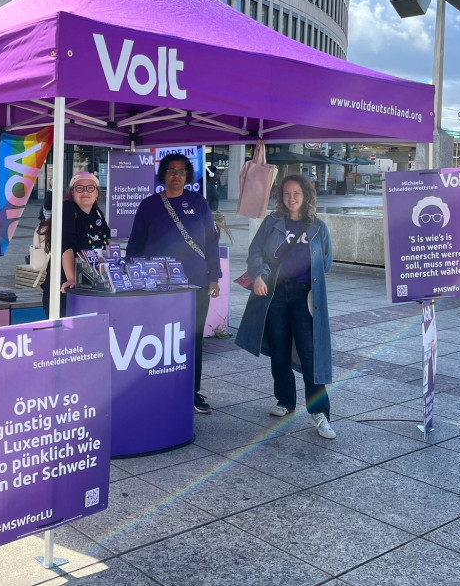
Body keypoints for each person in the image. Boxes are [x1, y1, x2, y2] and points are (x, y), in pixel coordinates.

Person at [235, 174, 336, 439]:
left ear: (306, 196)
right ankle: (285, 400)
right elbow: (255, 252)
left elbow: (326, 262)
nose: (292, 198)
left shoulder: (318, 227)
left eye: (297, 194)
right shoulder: (272, 223)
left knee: (309, 353)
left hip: (305, 297)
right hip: (275, 294)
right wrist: (258, 275)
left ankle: (320, 412)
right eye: (287, 194)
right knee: (279, 349)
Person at [127, 153, 221, 415]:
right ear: (163, 175)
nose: (176, 176)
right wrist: (132, 277)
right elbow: (135, 245)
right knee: (158, 336)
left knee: (193, 337)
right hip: (158, 285)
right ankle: (160, 387)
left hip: (195, 283)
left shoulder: (198, 203)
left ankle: (192, 391)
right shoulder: (149, 205)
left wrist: (214, 276)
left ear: (187, 175)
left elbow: (211, 241)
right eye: (171, 171)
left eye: (181, 171)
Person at [39, 171, 110, 317]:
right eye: (79, 188)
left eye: (90, 188)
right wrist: (72, 279)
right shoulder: (67, 209)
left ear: (97, 193)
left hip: (91, 286)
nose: (85, 192)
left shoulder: (97, 213)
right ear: (72, 192)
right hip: (67, 289)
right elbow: (65, 246)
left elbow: (107, 242)